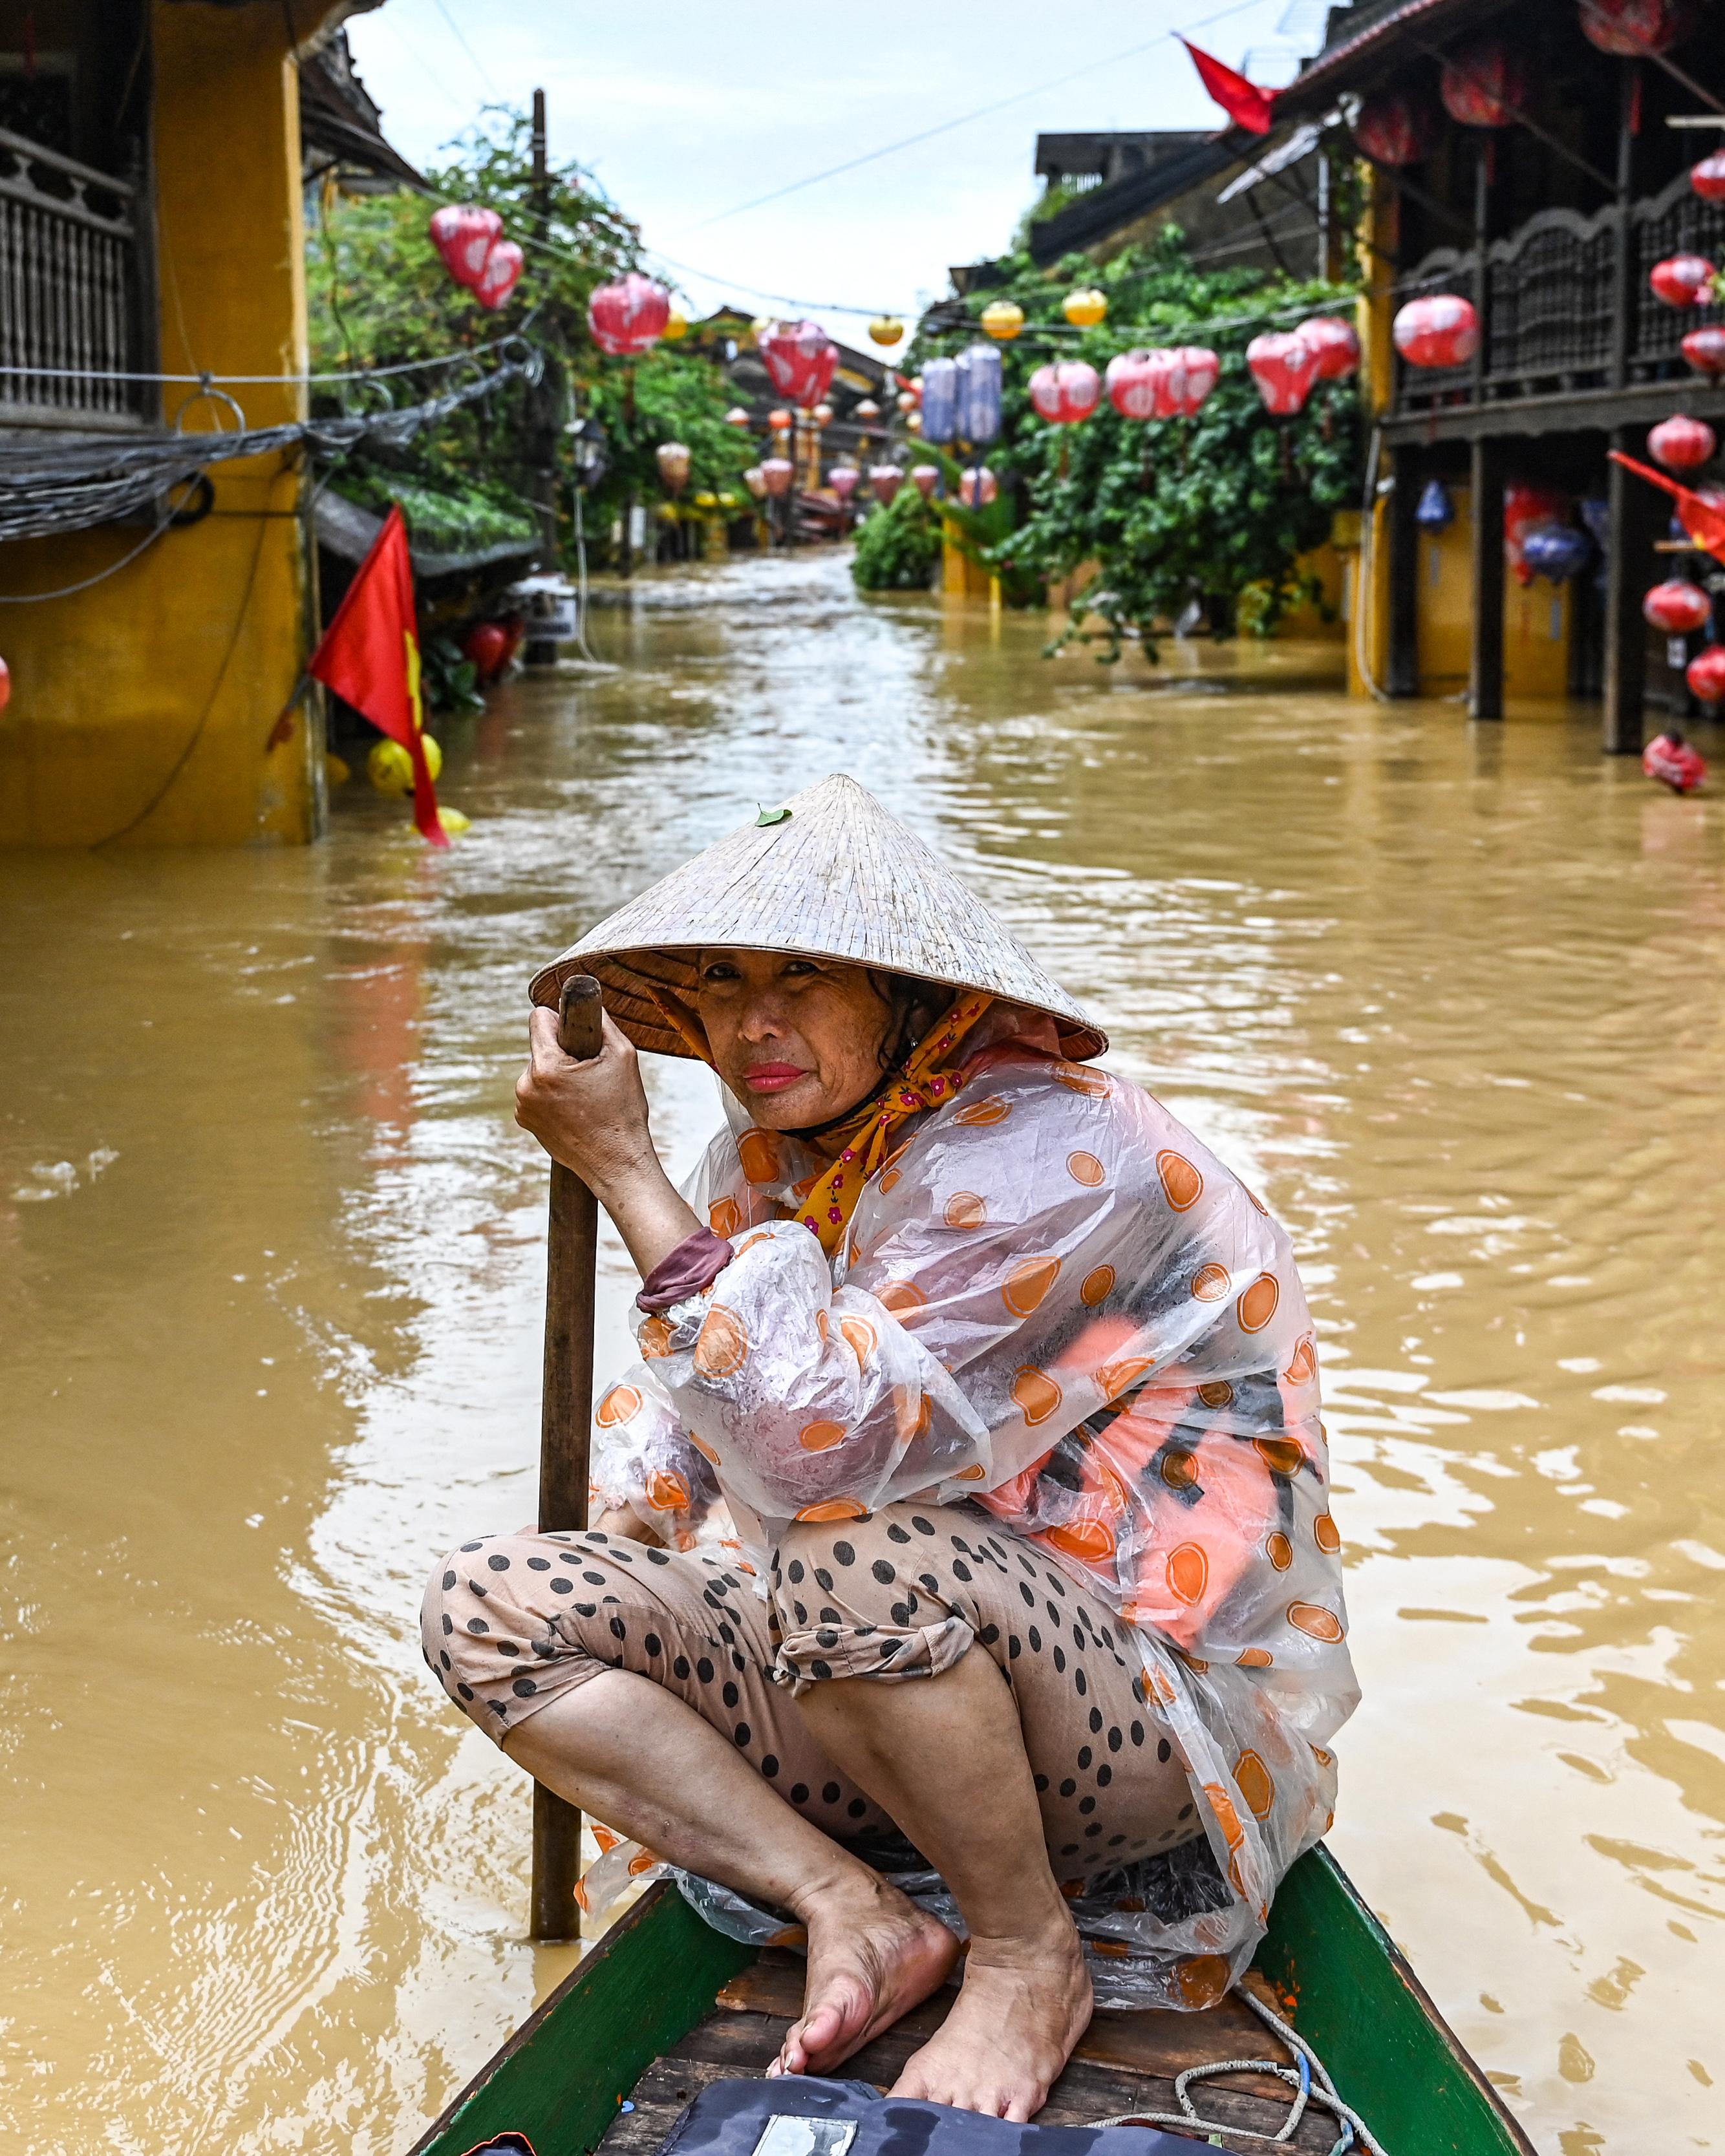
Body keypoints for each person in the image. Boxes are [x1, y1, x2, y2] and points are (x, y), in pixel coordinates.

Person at [423, 775, 1357, 2122]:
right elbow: (683, 1436)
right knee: (490, 1606)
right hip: (905, 1670)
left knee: (842, 1553)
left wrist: (625, 1175)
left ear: (906, 994)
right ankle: (849, 1904)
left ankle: (1026, 1954)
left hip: (1147, 1717)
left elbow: (814, 1452)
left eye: (804, 975)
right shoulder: (776, 1154)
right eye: (726, 983)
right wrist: (624, 1536)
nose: (755, 1024)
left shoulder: (1055, 1147)